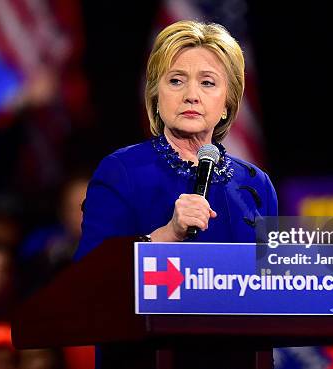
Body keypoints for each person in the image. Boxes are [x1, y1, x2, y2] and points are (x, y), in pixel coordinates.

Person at [75, 20, 277, 260]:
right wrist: (167, 234)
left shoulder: (257, 185)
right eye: (176, 81)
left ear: (228, 102)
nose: (191, 96)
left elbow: (268, 284)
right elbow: (91, 276)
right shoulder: (121, 171)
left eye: (207, 83)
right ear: (155, 96)